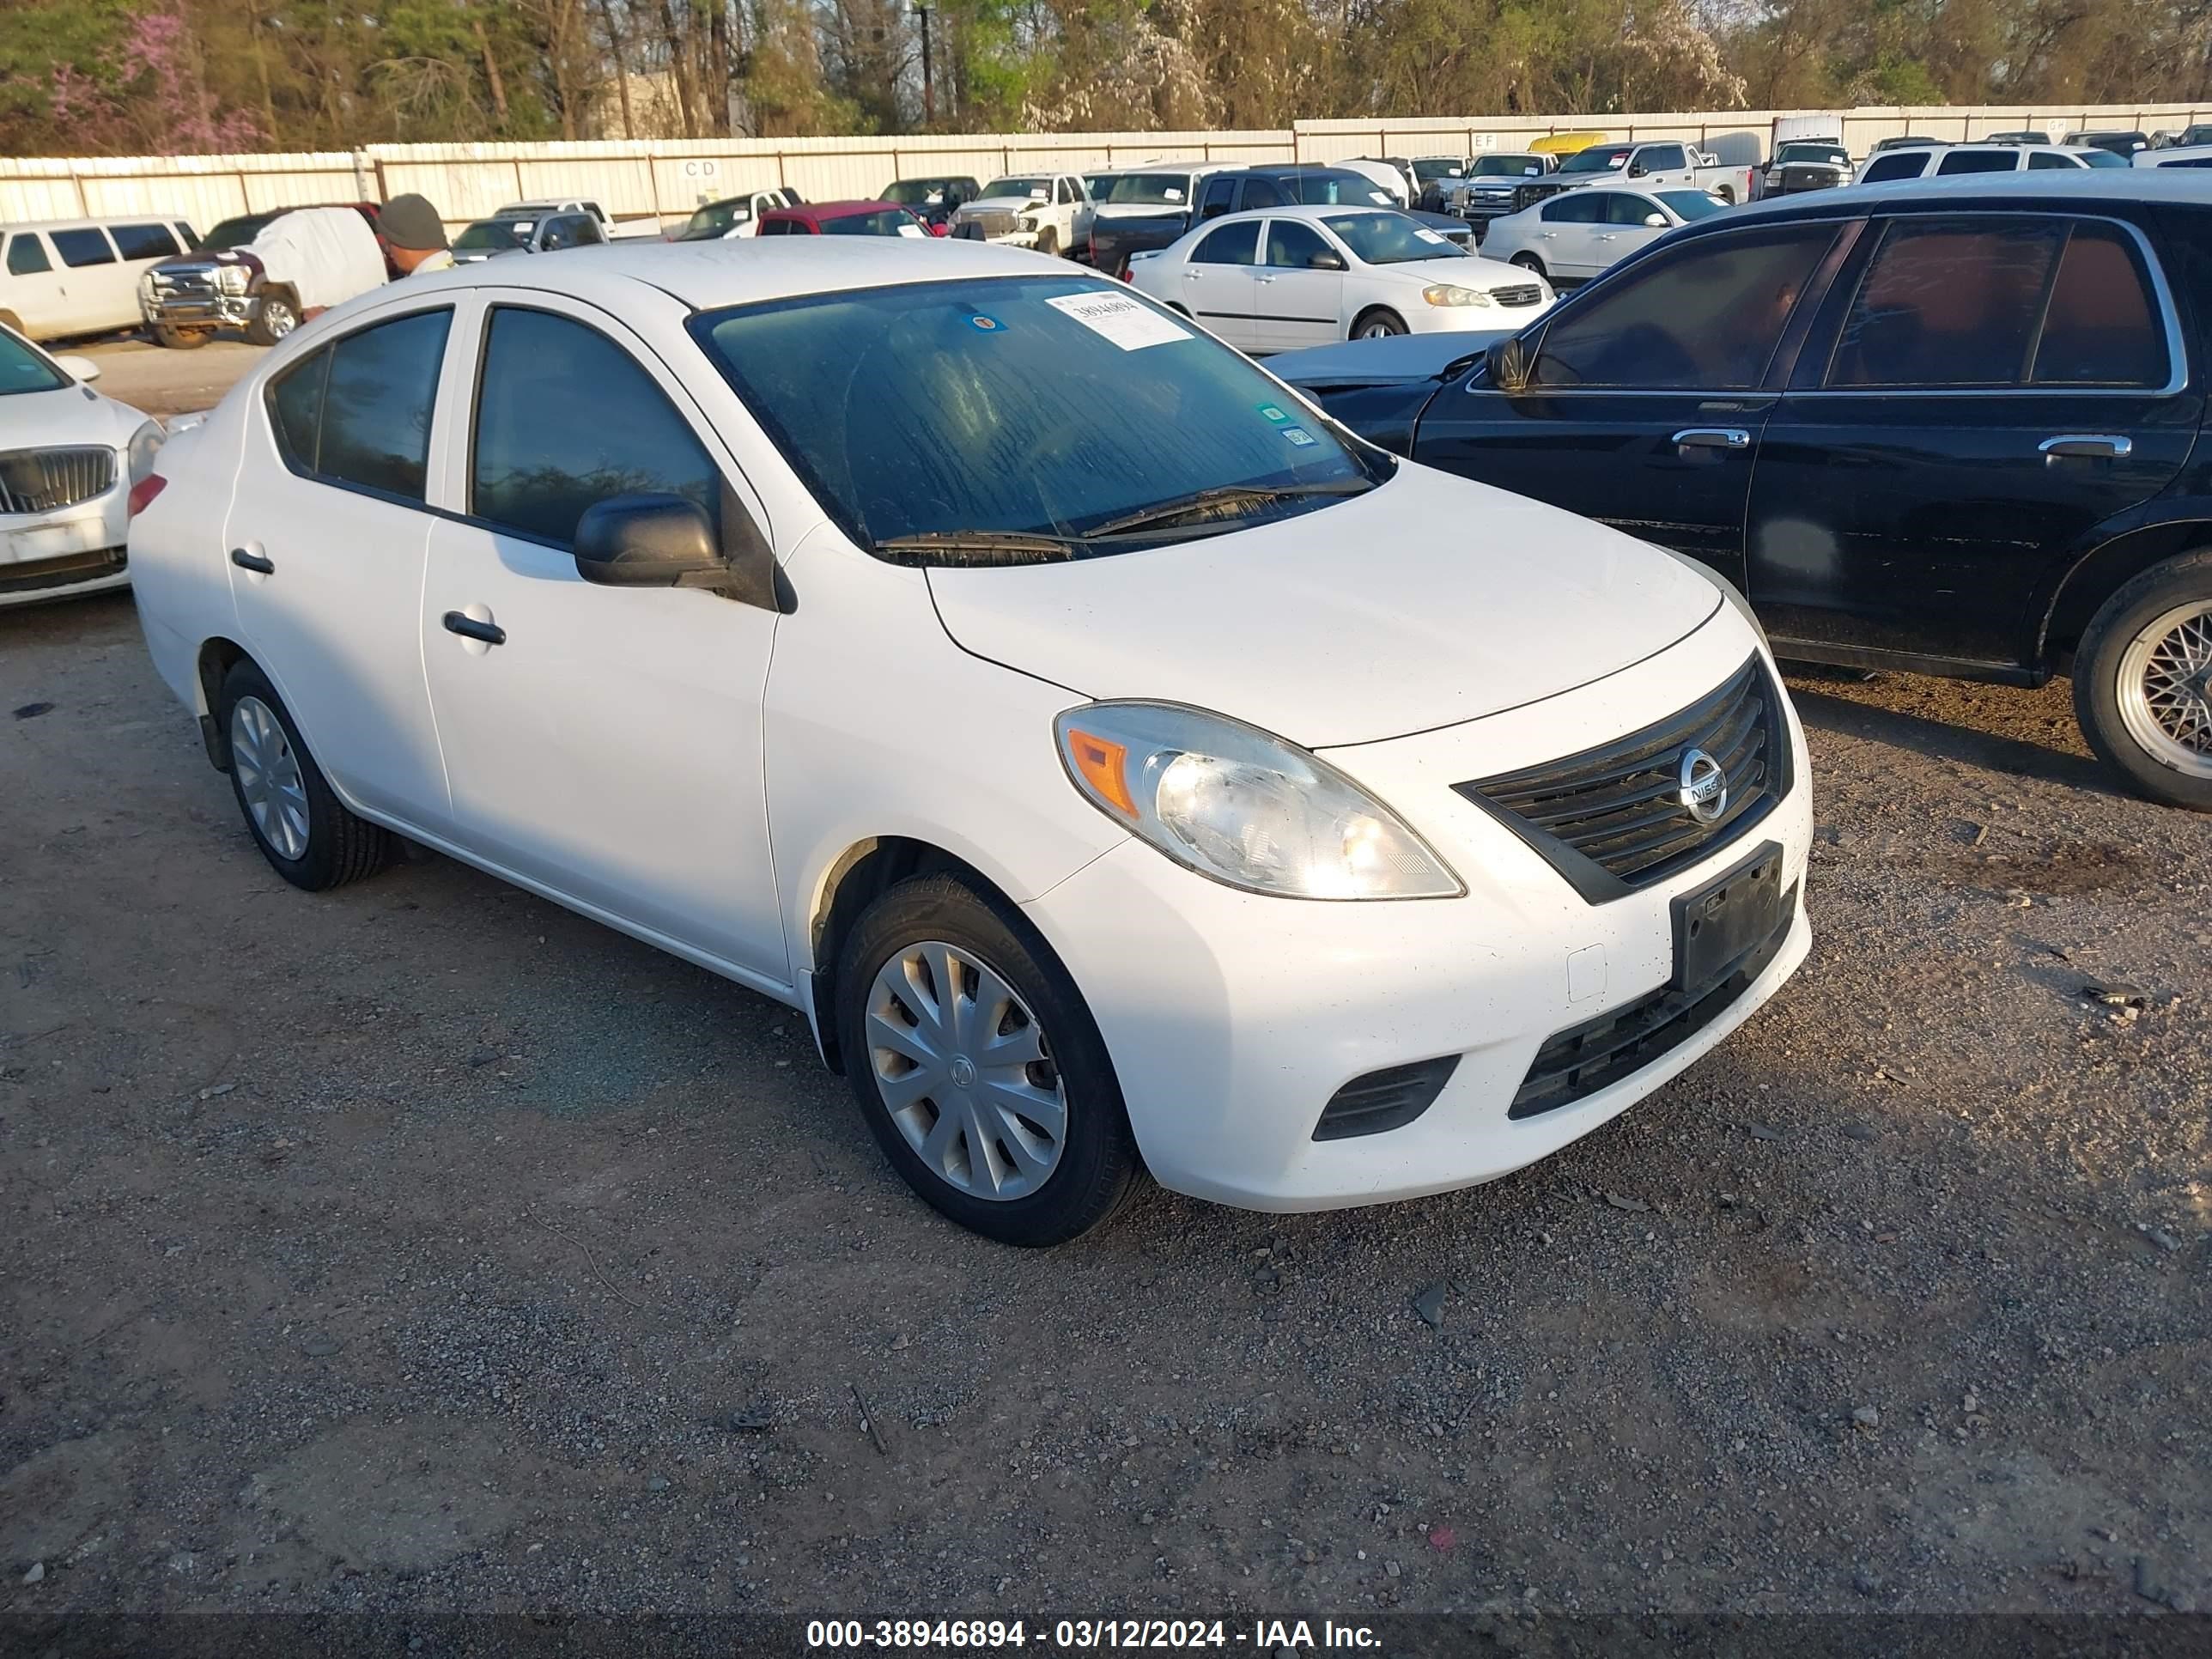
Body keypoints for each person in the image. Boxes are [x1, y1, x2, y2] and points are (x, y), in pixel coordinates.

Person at [380, 194, 455, 276]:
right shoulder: (454, 273)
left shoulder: (424, 285)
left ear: (403, 241)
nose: (388, 252)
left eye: (388, 243)